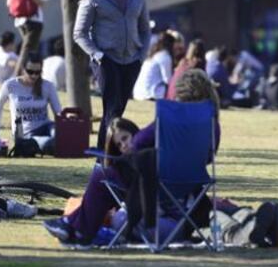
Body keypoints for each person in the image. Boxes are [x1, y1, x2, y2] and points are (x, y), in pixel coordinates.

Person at [44, 69, 219, 245]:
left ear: (179, 93)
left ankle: (78, 230)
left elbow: (138, 142)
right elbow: (208, 158)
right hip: (187, 194)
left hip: (161, 189)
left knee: (102, 174)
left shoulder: (170, 119)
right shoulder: (213, 124)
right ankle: (73, 225)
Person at [74, 0, 152, 149]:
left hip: (131, 60)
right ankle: (105, 156)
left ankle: (109, 153)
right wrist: (98, 55)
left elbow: (145, 29)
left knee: (118, 109)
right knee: (112, 108)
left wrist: (141, 56)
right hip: (106, 60)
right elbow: (79, 33)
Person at [0, 53, 62, 154]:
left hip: (47, 127)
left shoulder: (48, 86)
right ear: (23, 69)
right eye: (30, 71)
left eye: (38, 72)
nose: (34, 75)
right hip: (25, 134)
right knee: (49, 144)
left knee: (61, 138)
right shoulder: (10, 85)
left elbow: (58, 113)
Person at [8, 0, 45, 76]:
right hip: (34, 19)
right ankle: (17, 76)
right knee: (29, 50)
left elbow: (8, 2)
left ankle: (28, 75)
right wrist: (42, 3)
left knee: (28, 49)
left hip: (19, 20)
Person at [133, 31, 178, 101]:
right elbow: (168, 80)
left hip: (138, 94)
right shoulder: (164, 56)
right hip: (150, 95)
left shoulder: (153, 55)